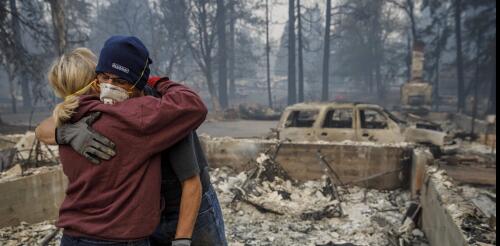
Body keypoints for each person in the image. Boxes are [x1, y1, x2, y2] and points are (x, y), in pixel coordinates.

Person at [36, 36, 227, 246]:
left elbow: (192, 183)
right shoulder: (86, 116)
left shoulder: (162, 113)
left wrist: (182, 239)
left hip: (183, 209)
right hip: (142, 219)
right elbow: (43, 128)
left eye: (120, 81)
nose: (109, 87)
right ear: (95, 80)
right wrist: (65, 133)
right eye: (104, 77)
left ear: (138, 82)